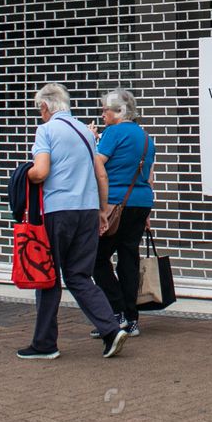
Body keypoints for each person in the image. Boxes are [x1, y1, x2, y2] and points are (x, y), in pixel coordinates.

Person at [19, 83, 128, 360]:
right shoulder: (85, 131)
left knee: (48, 277)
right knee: (80, 275)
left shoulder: (46, 130)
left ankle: (45, 344)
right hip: (88, 210)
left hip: (59, 211)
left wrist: (24, 175)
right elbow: (100, 175)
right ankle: (111, 329)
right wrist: (102, 211)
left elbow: (41, 172)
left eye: (39, 109)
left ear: (45, 106)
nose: (39, 114)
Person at [91, 88, 156, 338]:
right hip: (141, 203)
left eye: (105, 110)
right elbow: (148, 176)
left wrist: (91, 140)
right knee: (129, 258)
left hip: (116, 204)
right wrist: (147, 214)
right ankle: (132, 319)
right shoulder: (146, 137)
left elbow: (98, 165)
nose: (103, 114)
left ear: (118, 112)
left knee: (97, 258)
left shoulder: (113, 133)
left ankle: (116, 312)